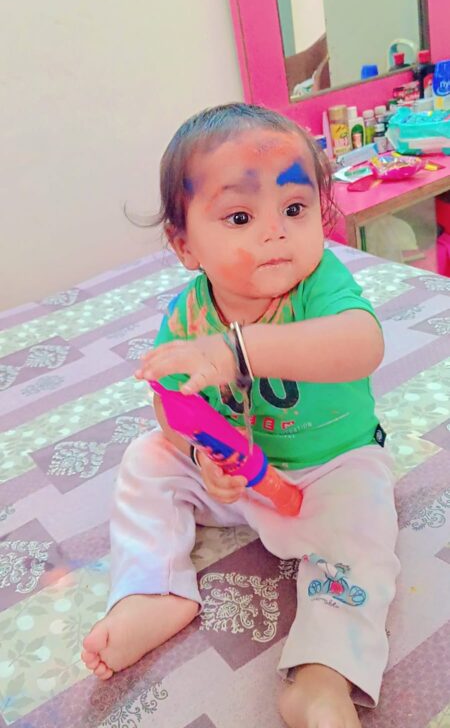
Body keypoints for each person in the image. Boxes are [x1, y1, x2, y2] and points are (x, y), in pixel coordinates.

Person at [81, 104, 400, 728]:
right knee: (146, 458)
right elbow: (171, 405)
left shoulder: (320, 284)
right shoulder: (188, 313)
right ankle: (154, 588)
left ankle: (323, 673)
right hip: (237, 474)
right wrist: (200, 454)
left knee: (363, 532)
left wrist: (237, 351)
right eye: (239, 217)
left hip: (328, 469)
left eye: (295, 209)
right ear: (185, 245)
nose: (276, 233)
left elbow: (363, 344)